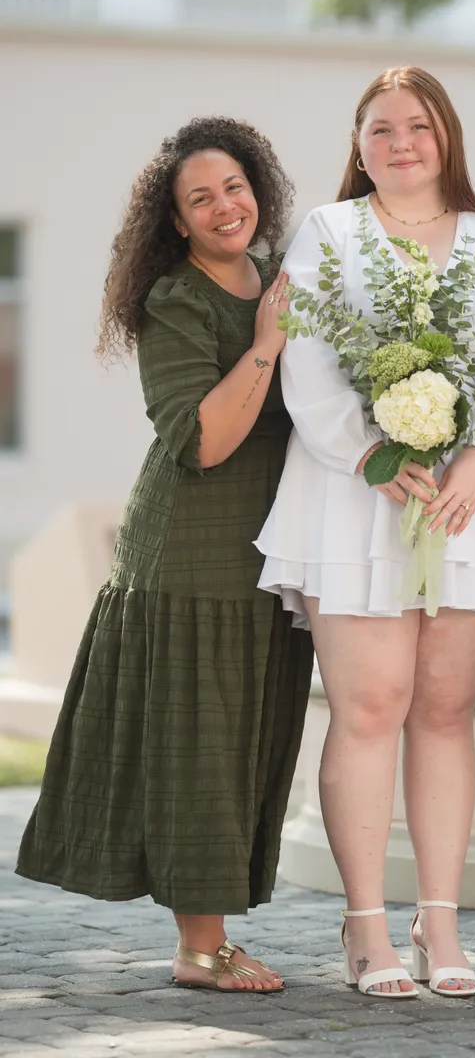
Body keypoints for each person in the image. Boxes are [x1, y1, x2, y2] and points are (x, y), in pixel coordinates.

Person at [256, 67, 475, 999]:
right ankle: (367, 928)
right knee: (371, 706)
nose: (400, 144)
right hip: (356, 495)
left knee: (446, 708)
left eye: (416, 126)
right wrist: (374, 452)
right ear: (359, 143)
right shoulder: (329, 233)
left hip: (465, 499)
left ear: (446, 136)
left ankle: (440, 925)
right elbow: (307, 367)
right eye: (379, 130)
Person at [17, 118, 314, 994]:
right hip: (191, 548)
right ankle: (200, 950)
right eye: (200, 199)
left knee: (241, 738)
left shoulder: (281, 272)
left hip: (268, 545)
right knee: (201, 742)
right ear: (176, 222)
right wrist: (266, 341)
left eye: (234, 187)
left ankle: (211, 938)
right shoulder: (175, 300)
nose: (224, 207)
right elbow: (205, 440)